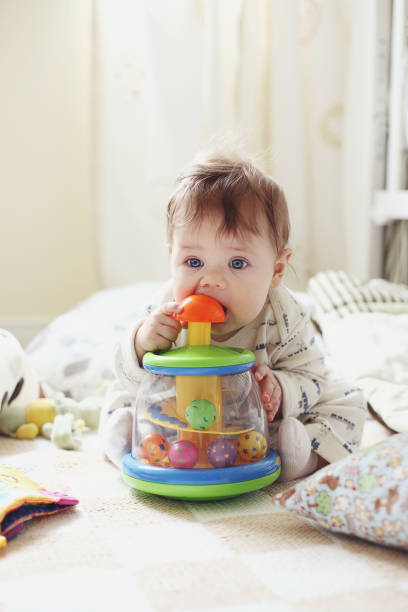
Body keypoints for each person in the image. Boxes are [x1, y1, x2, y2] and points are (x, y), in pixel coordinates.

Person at [99, 151, 366, 481]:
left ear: (276, 270)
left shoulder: (284, 315)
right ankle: (127, 444)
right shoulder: (166, 305)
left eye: (237, 263)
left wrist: (281, 389)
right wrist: (141, 343)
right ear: (172, 257)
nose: (210, 280)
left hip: (259, 423)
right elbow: (128, 373)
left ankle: (301, 459)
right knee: (121, 398)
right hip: (177, 419)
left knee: (348, 402)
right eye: (193, 262)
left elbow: (313, 375)